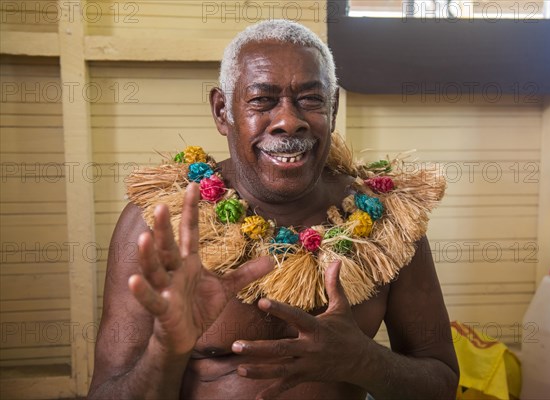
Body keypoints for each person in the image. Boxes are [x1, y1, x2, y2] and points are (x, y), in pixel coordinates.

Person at [88, 20, 459, 400]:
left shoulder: (387, 224)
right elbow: (106, 393)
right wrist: (166, 347)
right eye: (262, 100)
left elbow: (442, 383)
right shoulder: (159, 224)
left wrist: (363, 360)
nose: (288, 121)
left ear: (332, 109)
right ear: (222, 111)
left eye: (310, 100)